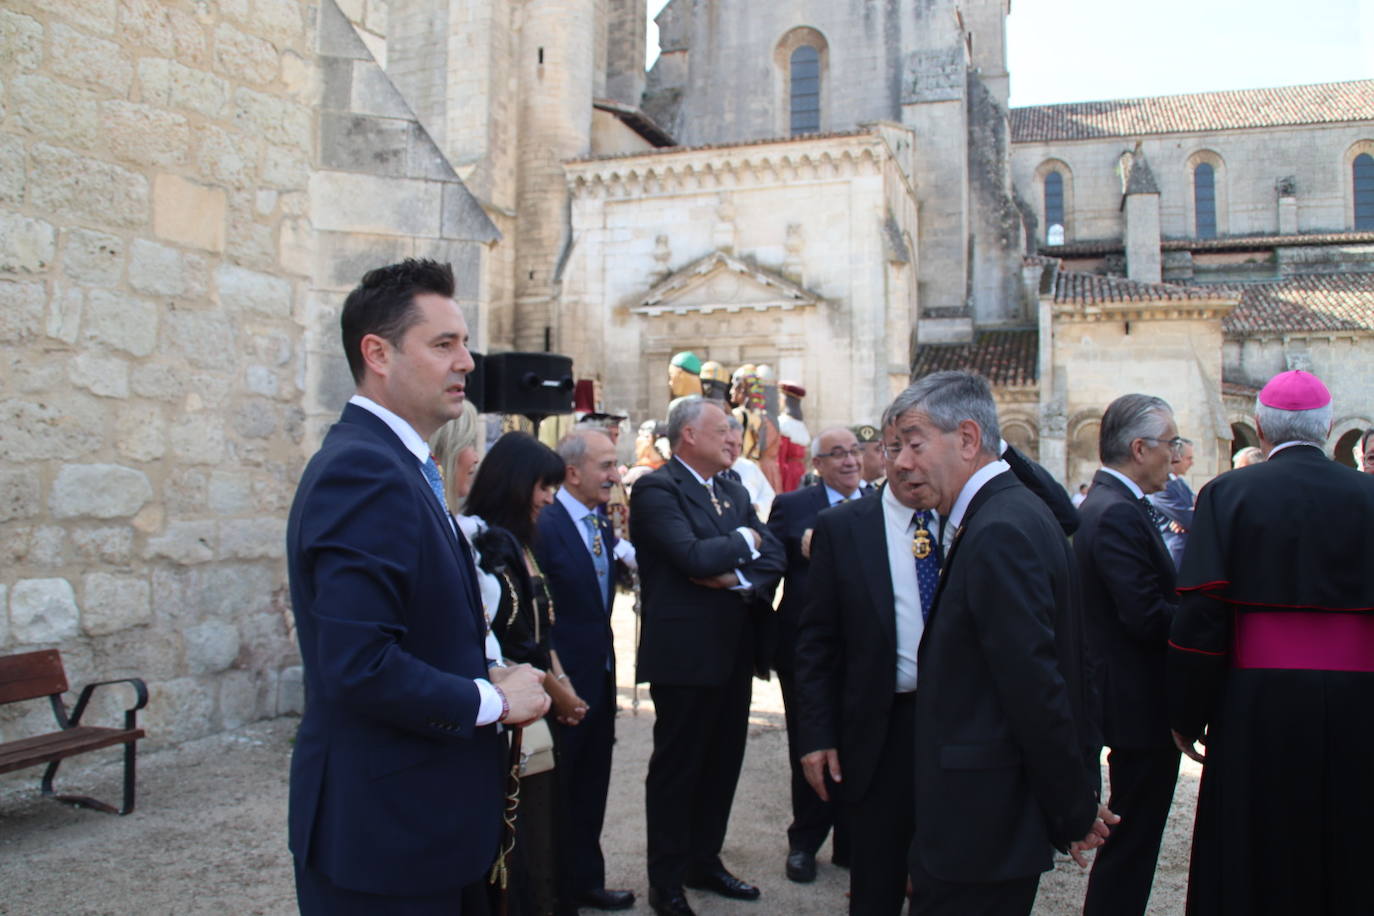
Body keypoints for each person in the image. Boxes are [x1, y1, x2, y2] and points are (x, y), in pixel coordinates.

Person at [285, 258, 548, 914]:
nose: (467, 362)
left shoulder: (398, 465)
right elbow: (357, 664)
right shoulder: (364, 473)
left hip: (422, 828)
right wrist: (492, 700)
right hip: (386, 840)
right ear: (377, 352)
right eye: (443, 344)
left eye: (465, 343)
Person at [894, 371, 1110, 916]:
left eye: (915, 444)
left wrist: (1074, 808)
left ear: (967, 439)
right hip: (982, 818)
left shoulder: (999, 530)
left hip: (981, 823)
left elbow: (1036, 685)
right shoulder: (1010, 511)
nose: (900, 463)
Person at [1167, 370, 1374, 916]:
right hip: (1362, 708)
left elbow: (1202, 620)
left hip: (1257, 706)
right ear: (1330, 430)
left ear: (1259, 429)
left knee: (1256, 851)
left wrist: (1187, 714)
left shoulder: (1226, 494)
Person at [631, 396, 785, 916]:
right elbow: (690, 556)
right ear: (688, 435)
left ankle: (704, 859)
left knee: (723, 762)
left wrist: (735, 573)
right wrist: (745, 538)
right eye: (722, 429)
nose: (733, 438)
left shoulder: (733, 487)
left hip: (735, 648)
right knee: (679, 767)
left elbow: (776, 552)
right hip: (685, 655)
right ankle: (667, 880)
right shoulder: (657, 488)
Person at [793, 419, 928, 915]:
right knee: (876, 878)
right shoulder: (844, 527)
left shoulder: (969, 518)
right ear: (883, 455)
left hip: (956, 727)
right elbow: (817, 641)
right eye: (899, 448)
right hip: (879, 725)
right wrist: (816, 733)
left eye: (922, 446)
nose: (911, 461)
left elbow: (1064, 518)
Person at [467, 431, 592, 916]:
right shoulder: (481, 547)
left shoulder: (522, 545)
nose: (549, 497)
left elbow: (543, 629)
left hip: (539, 706)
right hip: (510, 715)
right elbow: (504, 643)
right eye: (543, 485)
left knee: (544, 833)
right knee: (519, 840)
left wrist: (565, 686)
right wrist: (559, 692)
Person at [1076, 394, 1183, 916]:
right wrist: (1204, 616)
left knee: (1132, 837)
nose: (1177, 454)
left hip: (1129, 698)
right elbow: (1142, 614)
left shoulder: (1111, 504)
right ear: (1140, 449)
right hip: (1135, 704)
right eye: (1171, 443)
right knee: (1132, 840)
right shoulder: (1116, 512)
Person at [535, 430, 637, 914]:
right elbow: (541, 615)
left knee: (593, 782)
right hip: (564, 682)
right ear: (572, 473)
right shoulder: (546, 525)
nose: (615, 475)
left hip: (599, 674)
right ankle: (556, 893)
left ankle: (586, 880)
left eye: (616, 465)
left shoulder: (600, 523)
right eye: (606, 465)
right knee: (561, 789)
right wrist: (557, 682)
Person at [764, 427, 862, 886]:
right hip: (807, 650)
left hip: (865, 649)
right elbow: (768, 567)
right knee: (810, 741)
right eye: (837, 454)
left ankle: (851, 840)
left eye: (855, 452)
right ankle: (804, 842)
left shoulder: (881, 504)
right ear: (817, 464)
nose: (849, 461)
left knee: (861, 741)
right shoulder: (793, 507)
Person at [1148, 437, 1196, 569]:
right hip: (1174, 554)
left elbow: (1197, 507)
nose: (1192, 463)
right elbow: (1189, 519)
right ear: (1176, 457)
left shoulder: (1179, 482)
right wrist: (1187, 517)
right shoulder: (1162, 486)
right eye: (1189, 458)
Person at [724, 416, 775, 520]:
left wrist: (756, 506)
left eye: (739, 446)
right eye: (730, 444)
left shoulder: (748, 467)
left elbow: (769, 496)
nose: (735, 452)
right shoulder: (708, 470)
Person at [853, 423, 885, 492]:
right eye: (878, 450)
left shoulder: (879, 490)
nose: (884, 455)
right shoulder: (848, 493)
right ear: (859, 455)